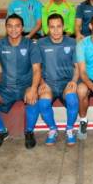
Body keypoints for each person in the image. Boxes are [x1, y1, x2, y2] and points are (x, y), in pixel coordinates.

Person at [0, 14, 41, 149]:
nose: (13, 29)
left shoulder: (31, 45)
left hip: (25, 85)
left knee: (34, 98)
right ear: (6, 28)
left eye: (17, 26)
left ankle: (29, 131)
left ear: (22, 28)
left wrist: (33, 88)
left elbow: (37, 70)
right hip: (6, 88)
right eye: (10, 26)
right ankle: (2, 131)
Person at [37, 13, 79, 146]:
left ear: (64, 27)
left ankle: (69, 129)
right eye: (52, 27)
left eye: (58, 26)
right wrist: (42, 82)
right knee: (43, 103)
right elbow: (36, 67)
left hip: (66, 82)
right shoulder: (41, 43)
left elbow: (77, 67)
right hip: (48, 82)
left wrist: (73, 81)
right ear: (47, 28)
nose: (56, 30)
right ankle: (53, 129)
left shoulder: (72, 43)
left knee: (72, 99)